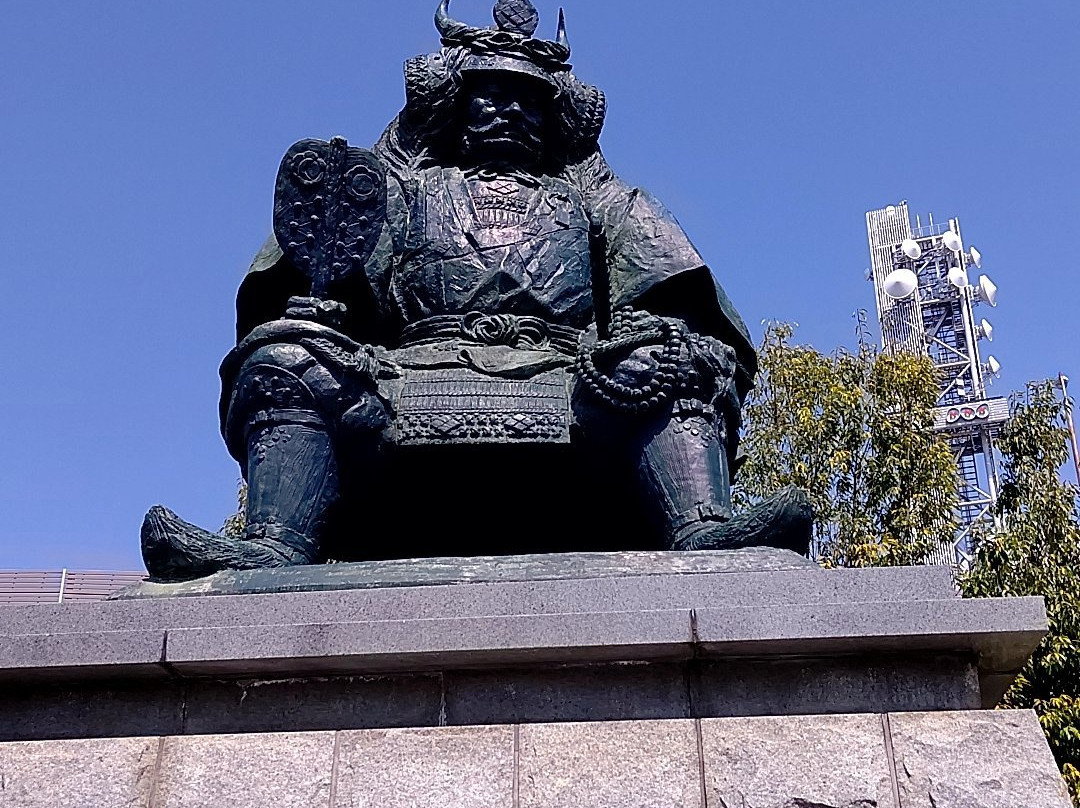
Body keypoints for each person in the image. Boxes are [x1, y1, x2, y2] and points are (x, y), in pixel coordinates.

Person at [142, 0, 810, 582]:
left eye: (528, 100)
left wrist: (647, 327)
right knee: (284, 357)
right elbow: (327, 251)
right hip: (408, 376)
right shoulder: (404, 189)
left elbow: (667, 280)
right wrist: (325, 298)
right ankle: (274, 542)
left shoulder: (595, 200)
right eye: (490, 95)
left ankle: (700, 525)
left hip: (570, 378)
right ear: (454, 105)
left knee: (676, 358)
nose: (510, 109)